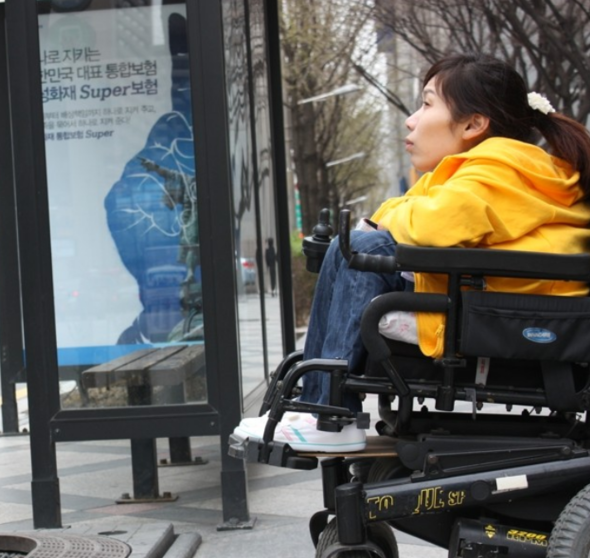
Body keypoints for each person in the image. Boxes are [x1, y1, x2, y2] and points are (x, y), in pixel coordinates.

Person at [235, 53, 590, 452]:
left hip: (508, 316)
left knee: (362, 247)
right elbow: (415, 215)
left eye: (427, 103)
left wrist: (382, 221)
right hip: (496, 302)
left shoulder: (501, 167)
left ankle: (328, 414)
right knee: (352, 246)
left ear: (474, 124)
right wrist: (384, 221)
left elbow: (430, 225)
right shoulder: (492, 168)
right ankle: (316, 408)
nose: (412, 119)